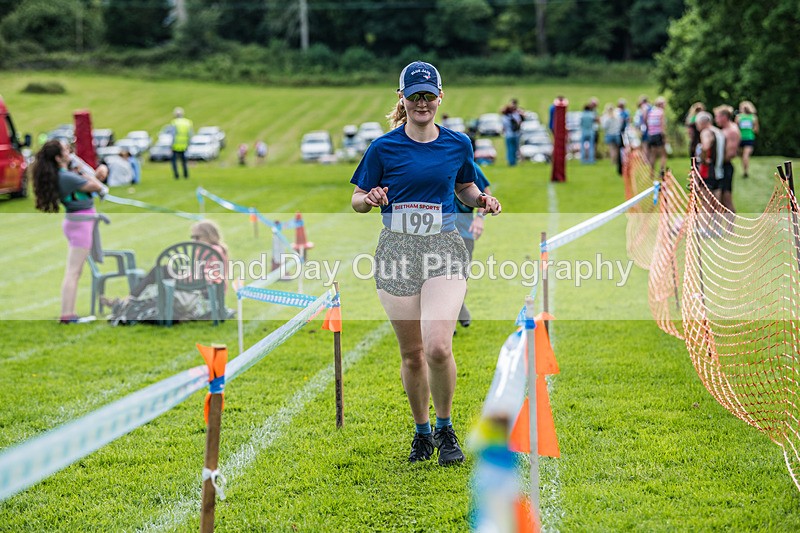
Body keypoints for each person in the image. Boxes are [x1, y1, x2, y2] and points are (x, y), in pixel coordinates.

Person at [350, 60, 502, 466]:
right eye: (414, 95)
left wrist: (482, 201)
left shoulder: (458, 143)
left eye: (428, 95)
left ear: (440, 97)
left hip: (444, 248)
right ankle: (421, 432)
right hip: (396, 253)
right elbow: (357, 199)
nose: (422, 102)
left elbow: (465, 187)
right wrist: (370, 200)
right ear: (402, 98)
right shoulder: (383, 148)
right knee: (413, 353)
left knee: (437, 346)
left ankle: (445, 426)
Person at [32, 140, 108, 323]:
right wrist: (93, 171)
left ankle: (68, 313)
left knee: (75, 271)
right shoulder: (66, 177)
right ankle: (67, 315)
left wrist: (91, 173)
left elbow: (91, 181)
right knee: (73, 272)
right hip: (80, 224)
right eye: (66, 151)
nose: (70, 152)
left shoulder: (65, 175)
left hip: (79, 222)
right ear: (58, 158)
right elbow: (96, 186)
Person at [101, 220, 229, 322]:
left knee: (159, 271)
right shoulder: (211, 249)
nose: (193, 241)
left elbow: (209, 275)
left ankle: (128, 299)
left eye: (197, 237)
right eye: (192, 237)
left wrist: (185, 276)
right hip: (200, 284)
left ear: (209, 236)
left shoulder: (212, 250)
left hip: (205, 288)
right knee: (159, 274)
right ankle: (128, 300)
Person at [454, 163, 491, 331]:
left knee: (458, 280)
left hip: (464, 233)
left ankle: (455, 312)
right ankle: (451, 318)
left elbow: (486, 192)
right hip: (436, 234)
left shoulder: (466, 164)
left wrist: (480, 218)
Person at [713, 104, 741, 215]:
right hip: (721, 166)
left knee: (726, 199)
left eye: (717, 116)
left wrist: (715, 162)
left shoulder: (732, 131)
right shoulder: (724, 130)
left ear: (724, 117)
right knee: (720, 200)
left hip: (725, 167)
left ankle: (731, 230)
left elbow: (731, 153)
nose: (716, 119)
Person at [736, 101, 759, 178]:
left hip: (740, 138)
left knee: (743, 155)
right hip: (749, 138)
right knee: (745, 155)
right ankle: (745, 170)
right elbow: (756, 129)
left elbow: (735, 128)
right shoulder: (753, 117)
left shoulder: (739, 117)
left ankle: (745, 171)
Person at [169, 107, 193, 179]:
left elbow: (173, 134)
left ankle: (176, 175)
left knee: (174, 162)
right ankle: (186, 175)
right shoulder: (187, 122)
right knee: (184, 162)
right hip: (184, 145)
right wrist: (189, 143)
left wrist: (171, 145)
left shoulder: (174, 123)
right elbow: (190, 134)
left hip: (176, 145)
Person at [646, 96, 668, 176]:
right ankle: (661, 171)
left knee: (653, 154)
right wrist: (665, 137)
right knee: (663, 154)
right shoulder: (661, 112)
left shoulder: (651, 112)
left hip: (651, 135)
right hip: (658, 135)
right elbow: (662, 126)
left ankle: (651, 172)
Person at [600, 103, 623, 172]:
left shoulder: (606, 117)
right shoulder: (617, 116)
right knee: (616, 149)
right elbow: (620, 124)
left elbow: (604, 126)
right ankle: (616, 160)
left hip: (609, 134)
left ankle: (613, 161)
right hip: (616, 133)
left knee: (612, 148)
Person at [501, 99, 523, 167]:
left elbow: (503, 127)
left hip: (508, 135)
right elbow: (519, 123)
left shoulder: (504, 117)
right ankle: (514, 162)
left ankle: (511, 162)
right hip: (516, 134)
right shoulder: (515, 115)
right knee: (515, 149)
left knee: (510, 149)